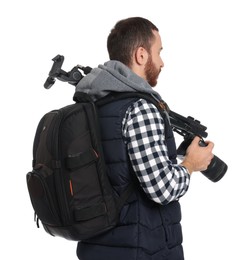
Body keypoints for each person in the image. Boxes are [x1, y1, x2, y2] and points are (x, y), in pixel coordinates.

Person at [75, 17, 214, 260]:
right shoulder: (140, 108)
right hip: (142, 250)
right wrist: (192, 164)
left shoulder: (92, 106)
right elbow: (163, 188)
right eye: (158, 52)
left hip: (96, 247)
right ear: (141, 55)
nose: (162, 62)